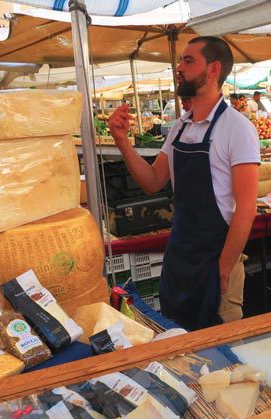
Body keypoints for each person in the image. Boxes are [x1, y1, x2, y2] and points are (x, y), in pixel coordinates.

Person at [108, 36, 260, 331]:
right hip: (179, 261)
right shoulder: (180, 128)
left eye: (188, 61)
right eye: (180, 60)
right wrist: (122, 142)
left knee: (223, 359)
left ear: (214, 69)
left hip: (217, 260)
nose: (179, 67)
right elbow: (153, 181)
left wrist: (224, 267)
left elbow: (246, 209)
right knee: (180, 352)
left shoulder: (237, 129)